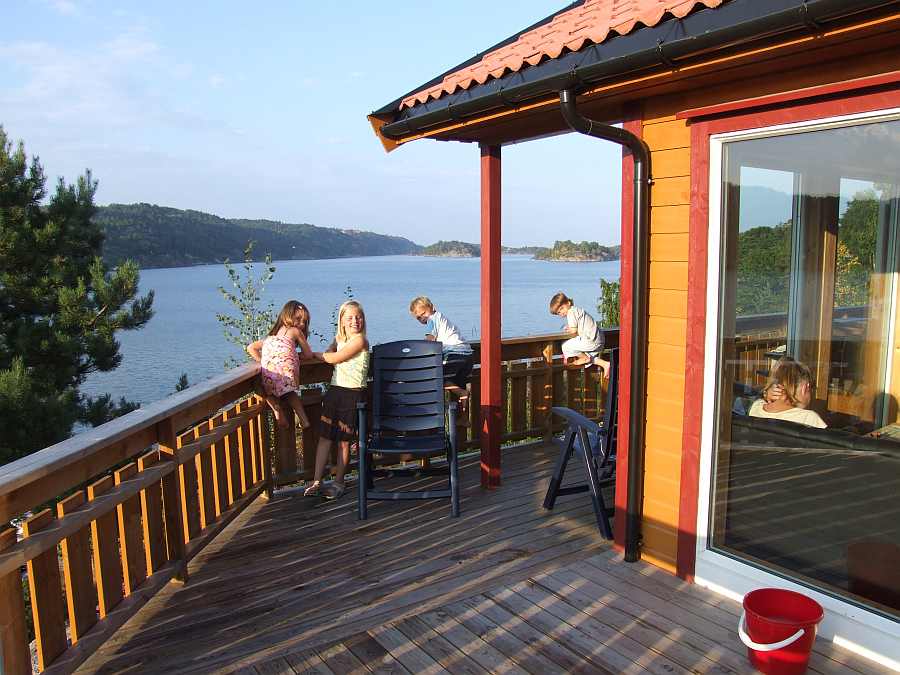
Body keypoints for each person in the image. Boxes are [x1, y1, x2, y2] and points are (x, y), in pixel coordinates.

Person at [304, 300, 370, 499]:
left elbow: (334, 358)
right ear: (341, 321)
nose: (354, 321)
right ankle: (317, 480)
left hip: (353, 393)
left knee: (343, 441)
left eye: (358, 317)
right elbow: (331, 351)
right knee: (324, 437)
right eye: (349, 318)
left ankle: (339, 482)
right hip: (335, 391)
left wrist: (313, 354)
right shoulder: (339, 339)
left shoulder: (360, 340)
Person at [247, 300, 312, 429]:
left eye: (304, 321)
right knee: (290, 394)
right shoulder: (295, 332)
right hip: (286, 371)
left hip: (269, 371)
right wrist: (296, 356)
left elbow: (251, 348)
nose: (302, 324)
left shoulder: (270, 337)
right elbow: (309, 355)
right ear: (287, 317)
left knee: (264, 390)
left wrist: (264, 360)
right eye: (298, 319)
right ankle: (304, 420)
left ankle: (276, 409)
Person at [409, 296, 474, 402]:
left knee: (437, 378)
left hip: (455, 354)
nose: (423, 318)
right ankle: (463, 415)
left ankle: (461, 393)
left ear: (432, 307)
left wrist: (419, 351)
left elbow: (430, 341)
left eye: (423, 313)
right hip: (467, 356)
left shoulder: (432, 320)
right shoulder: (441, 318)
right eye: (419, 317)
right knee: (458, 384)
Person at [749, 357, 826, 428]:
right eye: (811, 389)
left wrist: (766, 394)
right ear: (805, 387)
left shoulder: (756, 407)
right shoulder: (810, 419)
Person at [549, 292, 610, 378]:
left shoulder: (571, 312)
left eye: (562, 308)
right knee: (587, 356)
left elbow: (574, 331)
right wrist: (572, 329)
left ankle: (584, 358)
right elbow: (578, 328)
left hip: (591, 340)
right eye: (558, 312)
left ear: (568, 303)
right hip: (598, 339)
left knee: (565, 345)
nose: (561, 313)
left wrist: (569, 330)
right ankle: (605, 364)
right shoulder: (577, 310)